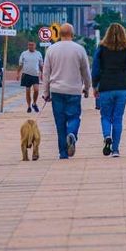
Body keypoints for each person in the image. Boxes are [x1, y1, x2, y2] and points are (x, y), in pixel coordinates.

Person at [39, 23, 92, 159]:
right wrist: (86, 88)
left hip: (56, 91)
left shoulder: (51, 49)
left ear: (59, 34)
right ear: (72, 34)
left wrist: (45, 93)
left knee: (59, 121)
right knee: (74, 117)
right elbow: (86, 71)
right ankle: (72, 133)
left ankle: (63, 153)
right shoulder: (79, 49)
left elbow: (46, 73)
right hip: (74, 90)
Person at [92, 23, 126, 157]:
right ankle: (116, 150)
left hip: (106, 87)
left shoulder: (101, 49)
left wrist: (95, 86)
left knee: (105, 116)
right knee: (118, 118)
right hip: (122, 87)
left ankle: (107, 136)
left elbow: (95, 68)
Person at [17, 41, 44, 113]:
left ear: (35, 45)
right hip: (26, 74)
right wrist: (18, 73)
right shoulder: (24, 53)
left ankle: (34, 103)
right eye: (29, 45)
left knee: (36, 90)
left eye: (32, 45)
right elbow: (20, 65)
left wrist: (42, 74)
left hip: (35, 75)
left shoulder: (38, 54)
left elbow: (41, 65)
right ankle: (29, 106)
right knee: (28, 91)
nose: (30, 46)